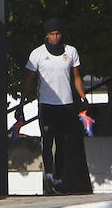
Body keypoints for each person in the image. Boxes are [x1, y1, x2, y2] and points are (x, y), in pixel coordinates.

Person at [19, 18, 92, 194]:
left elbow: (76, 77)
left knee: (62, 143)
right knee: (48, 141)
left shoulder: (71, 51)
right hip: (47, 104)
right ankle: (49, 176)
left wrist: (83, 97)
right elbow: (29, 79)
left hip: (66, 104)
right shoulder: (37, 54)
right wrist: (22, 102)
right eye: (52, 34)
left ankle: (58, 179)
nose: (55, 37)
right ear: (47, 35)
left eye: (58, 33)